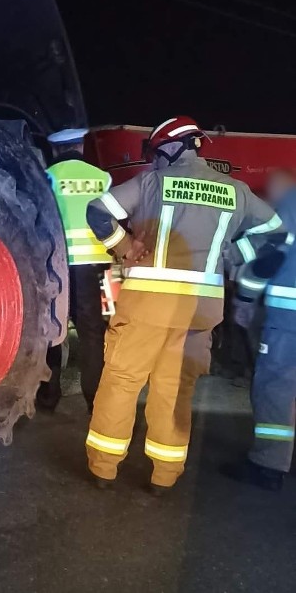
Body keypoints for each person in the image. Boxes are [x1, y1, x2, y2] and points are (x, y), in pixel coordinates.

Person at [83, 116, 281, 495]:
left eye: (156, 153)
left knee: (123, 380)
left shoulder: (151, 182)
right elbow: (274, 231)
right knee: (175, 390)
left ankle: (104, 469)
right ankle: (164, 476)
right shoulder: (236, 191)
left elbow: (97, 210)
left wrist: (124, 247)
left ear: (171, 148)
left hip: (148, 305)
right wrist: (232, 253)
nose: (154, 161)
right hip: (200, 312)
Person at [221, 172, 296, 491]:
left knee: (275, 390)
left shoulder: (291, 204)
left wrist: (245, 297)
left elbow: (271, 253)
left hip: (289, 317)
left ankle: (269, 464)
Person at [37, 128, 111, 413]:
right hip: (92, 264)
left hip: (56, 263)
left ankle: (48, 396)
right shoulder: (102, 178)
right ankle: (96, 400)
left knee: (53, 328)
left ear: (55, 150)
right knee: (92, 332)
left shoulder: (48, 176)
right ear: (81, 147)